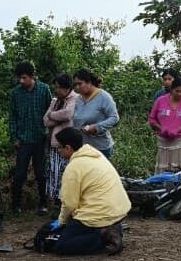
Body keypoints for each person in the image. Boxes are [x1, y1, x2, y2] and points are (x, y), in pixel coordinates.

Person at [52, 127, 130, 255]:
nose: (58, 151)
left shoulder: (73, 168)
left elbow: (69, 204)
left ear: (68, 148)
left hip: (97, 213)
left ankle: (103, 237)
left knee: (62, 245)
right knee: (75, 226)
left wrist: (62, 222)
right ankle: (111, 228)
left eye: (59, 148)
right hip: (119, 209)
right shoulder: (96, 154)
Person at [9, 61, 52, 216]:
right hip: (23, 140)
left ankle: (43, 203)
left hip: (40, 138)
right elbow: (12, 116)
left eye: (24, 78)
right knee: (20, 173)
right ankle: (16, 205)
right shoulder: (15, 93)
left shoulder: (44, 90)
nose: (21, 81)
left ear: (32, 76)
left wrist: (49, 132)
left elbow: (50, 112)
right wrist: (14, 136)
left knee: (41, 173)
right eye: (19, 78)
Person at [147, 76, 181, 172]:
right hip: (163, 143)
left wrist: (177, 129)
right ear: (171, 90)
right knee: (164, 172)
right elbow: (152, 119)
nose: (179, 94)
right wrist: (162, 128)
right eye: (177, 91)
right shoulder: (160, 101)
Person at [43, 73, 79, 202]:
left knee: (67, 173)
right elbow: (45, 121)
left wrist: (52, 115)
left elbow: (68, 115)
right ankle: (56, 201)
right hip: (55, 143)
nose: (56, 90)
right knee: (54, 173)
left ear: (67, 87)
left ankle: (65, 199)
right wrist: (57, 117)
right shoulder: (55, 101)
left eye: (58, 87)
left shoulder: (75, 98)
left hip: (69, 145)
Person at [71, 69, 120, 159]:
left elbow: (114, 118)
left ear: (89, 82)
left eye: (80, 84)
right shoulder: (79, 99)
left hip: (100, 148)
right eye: (75, 85)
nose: (77, 87)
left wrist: (97, 127)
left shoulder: (104, 97)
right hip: (83, 147)